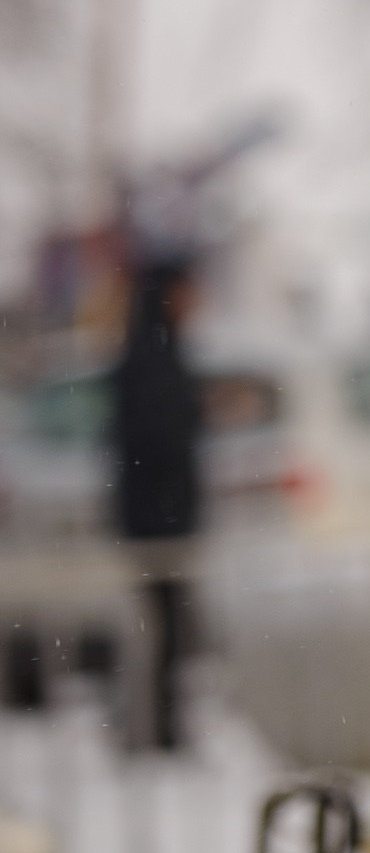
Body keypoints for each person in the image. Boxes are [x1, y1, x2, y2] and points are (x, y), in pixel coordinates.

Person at [108, 257, 205, 753]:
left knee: (167, 631)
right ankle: (150, 729)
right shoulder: (151, 356)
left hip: (165, 519)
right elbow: (154, 443)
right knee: (156, 632)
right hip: (157, 523)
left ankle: (160, 726)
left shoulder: (161, 349)